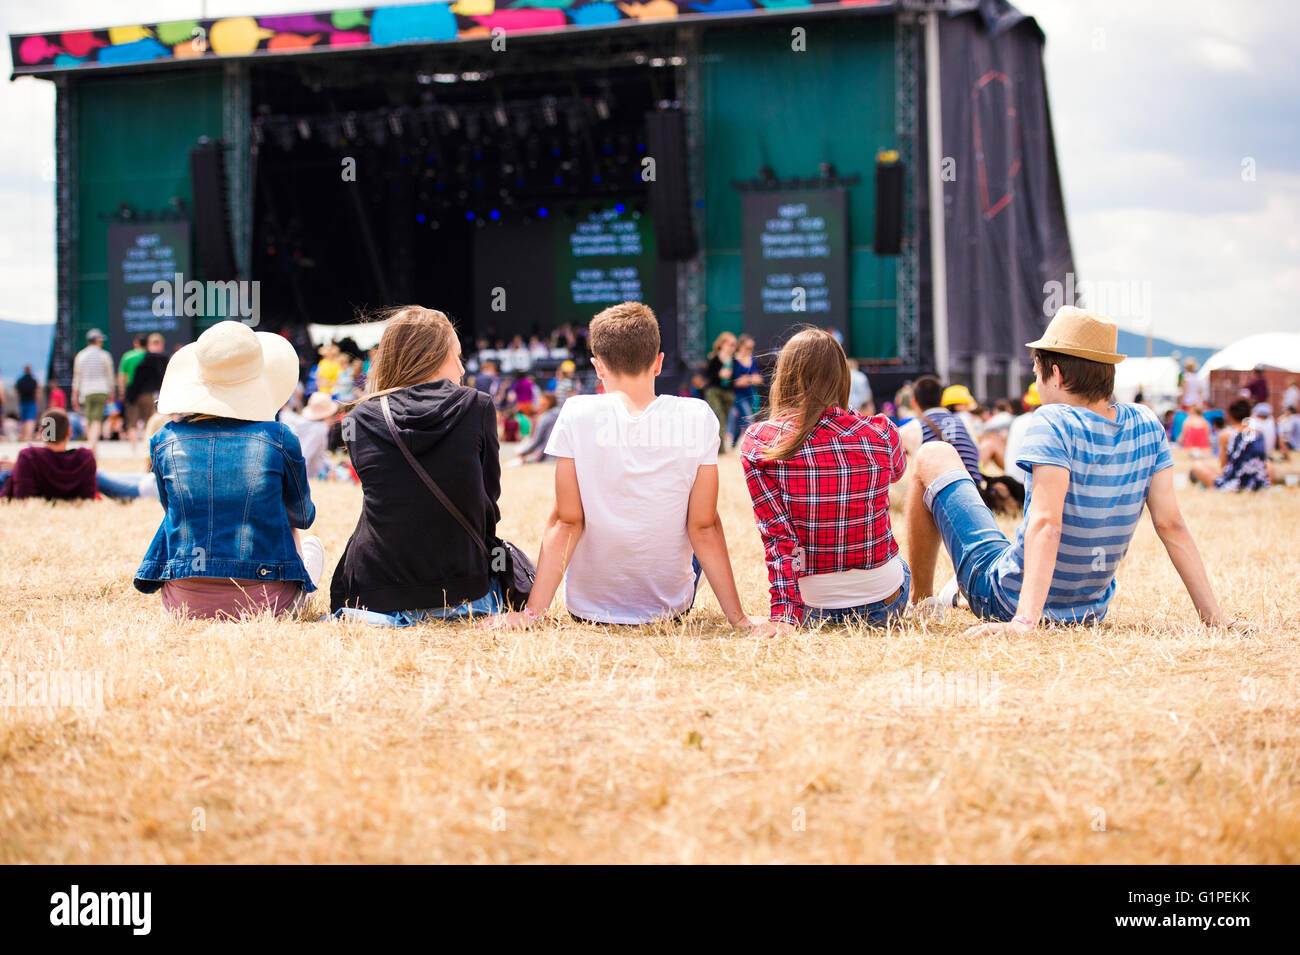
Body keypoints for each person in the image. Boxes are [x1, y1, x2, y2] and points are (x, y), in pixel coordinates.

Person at [906, 306, 1249, 635]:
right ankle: (957, 593)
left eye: (1037, 373)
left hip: (1009, 600)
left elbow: (1047, 524)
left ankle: (921, 602)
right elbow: (1171, 524)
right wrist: (1214, 618)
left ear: (1055, 374)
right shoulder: (1147, 423)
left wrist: (1024, 621)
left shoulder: (1053, 420)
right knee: (1002, 546)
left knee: (933, 453)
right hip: (1088, 609)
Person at [485, 302, 759, 630]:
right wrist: (739, 619)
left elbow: (567, 522)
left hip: (588, 608)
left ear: (598, 367)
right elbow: (704, 527)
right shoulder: (698, 416)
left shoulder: (575, 413)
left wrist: (531, 615)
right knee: (691, 520)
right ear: (658, 363)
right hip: (669, 608)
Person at [133, 321, 323, 620]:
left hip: (181, 603)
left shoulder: (163, 441)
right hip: (268, 603)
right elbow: (302, 515)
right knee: (307, 544)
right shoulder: (280, 438)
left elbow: (171, 509)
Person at [330, 307, 506, 626]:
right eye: (458, 356)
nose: (462, 369)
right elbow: (487, 506)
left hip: (372, 595)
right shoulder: (477, 406)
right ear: (435, 357)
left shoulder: (359, 417)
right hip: (462, 593)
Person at [740, 329, 909, 635]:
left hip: (809, 607)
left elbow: (778, 537)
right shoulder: (882, 431)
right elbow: (897, 472)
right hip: (884, 601)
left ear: (785, 377)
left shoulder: (760, 442)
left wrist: (784, 615)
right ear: (842, 377)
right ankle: (927, 599)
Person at [899, 375, 982, 487]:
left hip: (942, 499)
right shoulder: (965, 421)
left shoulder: (911, 429)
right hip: (976, 492)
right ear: (942, 399)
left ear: (914, 402)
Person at [1, 408, 96, 501]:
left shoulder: (29, 457)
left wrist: (19, 466)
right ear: (69, 432)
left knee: (4, 471)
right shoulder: (85, 459)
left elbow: (22, 498)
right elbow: (89, 496)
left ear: (41, 433)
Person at [1190, 398, 1271, 492]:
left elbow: (1223, 466)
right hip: (1259, 482)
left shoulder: (1226, 434)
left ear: (1231, 416)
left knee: (1198, 465)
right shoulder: (1259, 434)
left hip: (1234, 483)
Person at [71, 328, 115, 452]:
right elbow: (109, 375)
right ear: (97, 340)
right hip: (101, 390)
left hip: (86, 391)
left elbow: (77, 377)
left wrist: (75, 394)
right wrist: (112, 391)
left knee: (89, 419)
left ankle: (91, 444)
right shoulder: (104, 355)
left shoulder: (81, 356)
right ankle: (92, 445)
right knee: (97, 419)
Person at [124, 333, 169, 454]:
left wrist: (128, 395)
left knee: (132, 423)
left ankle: (134, 450)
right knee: (150, 423)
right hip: (152, 395)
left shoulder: (136, 357)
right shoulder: (165, 359)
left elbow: (134, 378)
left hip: (136, 393)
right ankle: (149, 448)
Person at [282, 391, 338, 479]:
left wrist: (332, 467)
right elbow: (305, 455)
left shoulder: (301, 422)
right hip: (313, 473)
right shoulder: (320, 429)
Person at [703, 332, 737, 449]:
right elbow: (708, 376)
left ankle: (719, 447)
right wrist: (719, 375)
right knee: (718, 417)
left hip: (728, 393)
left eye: (734, 345)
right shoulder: (714, 358)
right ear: (722, 344)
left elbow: (736, 378)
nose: (732, 347)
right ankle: (720, 449)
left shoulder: (734, 360)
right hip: (714, 391)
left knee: (726, 419)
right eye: (730, 344)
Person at [728, 334, 762, 446]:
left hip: (751, 394)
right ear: (741, 346)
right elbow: (736, 382)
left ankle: (733, 443)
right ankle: (753, 445)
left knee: (740, 421)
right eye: (748, 347)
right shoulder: (734, 360)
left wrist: (746, 379)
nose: (750, 350)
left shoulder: (752, 359)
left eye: (752, 348)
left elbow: (759, 379)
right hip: (738, 396)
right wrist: (751, 379)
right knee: (748, 420)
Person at [514, 392, 561, 464]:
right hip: (561, 455)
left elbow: (537, 441)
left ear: (547, 404)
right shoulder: (561, 413)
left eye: (541, 404)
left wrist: (522, 453)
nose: (539, 406)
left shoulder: (545, 417)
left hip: (546, 456)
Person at [117, 334, 147, 409]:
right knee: (148, 419)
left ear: (136, 343)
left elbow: (122, 376)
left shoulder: (127, 356)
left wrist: (122, 393)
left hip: (131, 392)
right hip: (147, 391)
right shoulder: (150, 356)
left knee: (132, 419)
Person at [15, 365, 40, 442]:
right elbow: (37, 392)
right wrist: (37, 401)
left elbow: (17, 392)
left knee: (23, 420)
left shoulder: (20, 380)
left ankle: (24, 435)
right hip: (31, 402)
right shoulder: (33, 380)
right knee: (30, 420)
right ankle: (29, 437)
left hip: (22, 402)